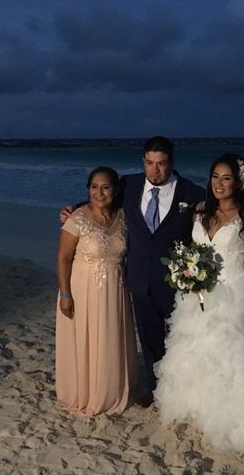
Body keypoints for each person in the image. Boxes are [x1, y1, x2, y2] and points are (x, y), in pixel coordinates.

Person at [154, 154, 244, 464]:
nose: (219, 184)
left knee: (235, 364)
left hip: (235, 293)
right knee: (197, 355)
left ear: (239, 183)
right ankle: (202, 412)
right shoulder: (201, 210)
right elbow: (194, 249)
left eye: (226, 178)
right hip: (198, 297)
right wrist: (187, 270)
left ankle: (243, 427)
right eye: (215, 177)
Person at [60, 137, 204, 407]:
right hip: (138, 279)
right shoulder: (130, 184)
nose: (155, 170)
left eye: (161, 164)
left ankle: (183, 391)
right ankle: (155, 388)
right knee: (149, 341)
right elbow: (102, 198)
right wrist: (74, 208)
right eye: (150, 163)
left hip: (176, 281)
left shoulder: (192, 193)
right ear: (143, 162)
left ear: (171, 162)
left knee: (181, 339)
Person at [55, 166, 137, 415]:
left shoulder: (124, 217)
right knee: (86, 338)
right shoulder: (76, 218)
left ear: (116, 190)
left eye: (106, 187)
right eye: (94, 187)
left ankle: (110, 390)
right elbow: (63, 258)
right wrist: (66, 294)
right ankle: (85, 391)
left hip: (115, 290)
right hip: (82, 289)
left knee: (111, 337)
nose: (99, 193)